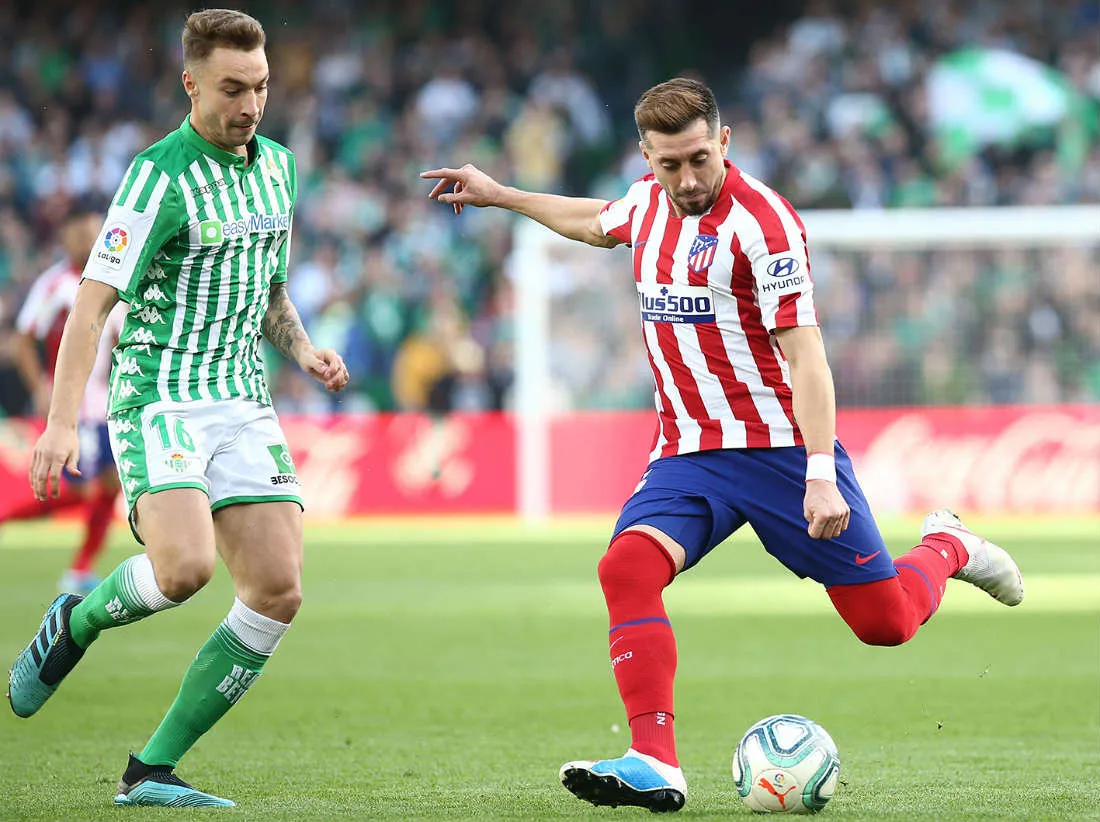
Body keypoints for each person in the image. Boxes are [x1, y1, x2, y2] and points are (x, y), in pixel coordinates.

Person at [421, 77, 1024, 814]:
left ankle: (948, 545)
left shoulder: (765, 227)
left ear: (725, 141)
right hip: (689, 452)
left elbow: (808, 359)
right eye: (669, 164)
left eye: (700, 159)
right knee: (627, 568)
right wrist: (501, 194)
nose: (688, 179)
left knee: (886, 624)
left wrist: (819, 474)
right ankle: (654, 759)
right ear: (647, 157)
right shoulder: (647, 201)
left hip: (781, 453)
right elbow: (593, 221)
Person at [8, 9, 349, 808]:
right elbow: (91, 306)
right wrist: (60, 422)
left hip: (242, 396)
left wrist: (301, 350)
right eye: (233, 88)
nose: (251, 105)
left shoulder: (280, 170)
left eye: (261, 86)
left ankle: (151, 770)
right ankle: (77, 620)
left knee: (278, 589)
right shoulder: (156, 176)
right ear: (190, 83)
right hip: (159, 394)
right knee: (186, 569)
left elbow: (269, 290)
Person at [8, 209, 124, 594]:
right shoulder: (55, 284)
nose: (89, 239)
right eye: (81, 233)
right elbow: (24, 339)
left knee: (111, 483)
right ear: (66, 238)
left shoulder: (115, 283)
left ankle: (80, 568)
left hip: (109, 404)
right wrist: (41, 386)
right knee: (79, 488)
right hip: (73, 405)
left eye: (95, 231)